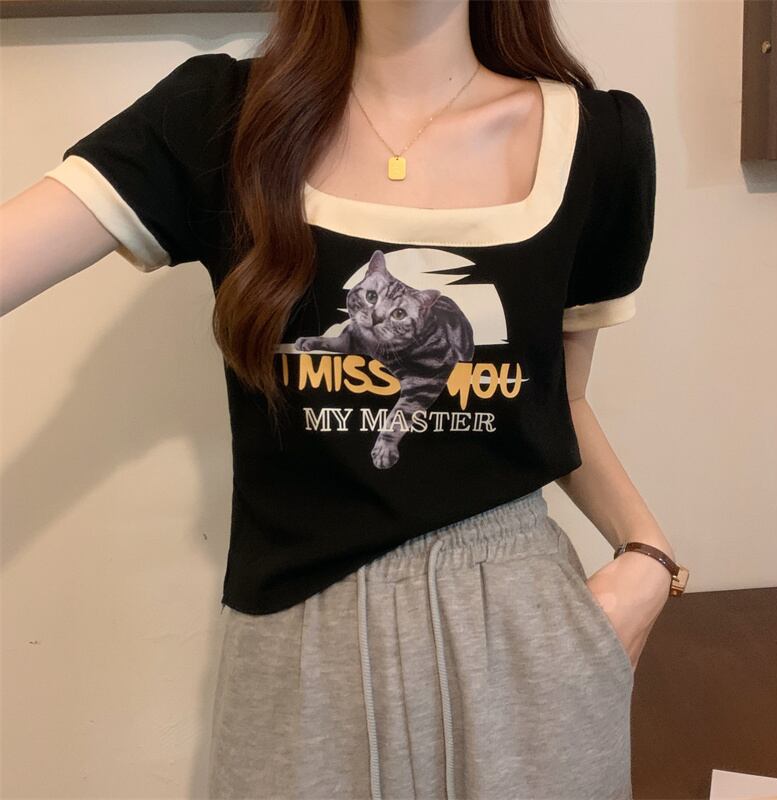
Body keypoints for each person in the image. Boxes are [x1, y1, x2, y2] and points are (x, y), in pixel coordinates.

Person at [1, 0, 690, 797]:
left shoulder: (597, 143)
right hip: (299, 650)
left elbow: (559, 401)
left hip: (523, 635)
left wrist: (648, 555)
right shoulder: (221, 120)